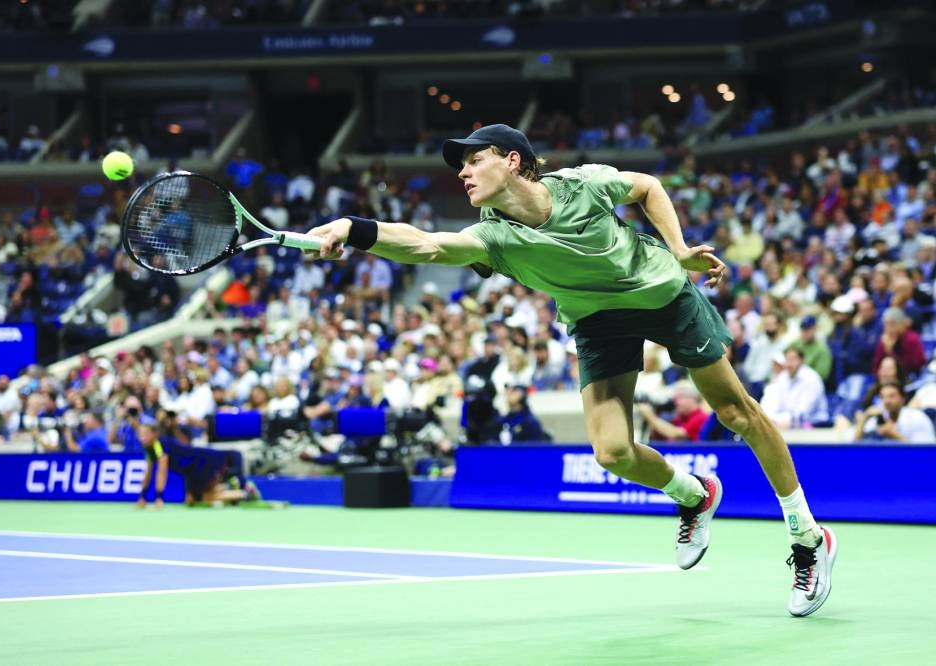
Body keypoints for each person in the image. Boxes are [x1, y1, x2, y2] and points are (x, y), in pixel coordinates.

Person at [305, 123, 836, 617]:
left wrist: (678, 249)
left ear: (512, 161)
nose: (462, 172)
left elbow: (647, 186)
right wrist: (354, 228)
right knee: (612, 452)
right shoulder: (494, 238)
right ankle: (695, 494)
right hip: (597, 322)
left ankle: (809, 537)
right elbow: (426, 244)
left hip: (662, 295)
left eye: (474, 159)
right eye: (459, 165)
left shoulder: (581, 186)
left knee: (736, 412)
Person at [853, 382, 936, 443]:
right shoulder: (877, 418)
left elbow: (925, 453)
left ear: (903, 399)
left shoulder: (917, 418)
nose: (886, 401)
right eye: (883, 397)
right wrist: (863, 420)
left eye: (892, 396)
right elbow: (854, 450)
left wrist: (894, 435)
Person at [638, 380, 710, 442]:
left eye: (679, 397)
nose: (675, 402)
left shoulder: (701, 417)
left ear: (693, 398)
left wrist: (650, 416)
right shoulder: (678, 418)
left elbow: (676, 435)